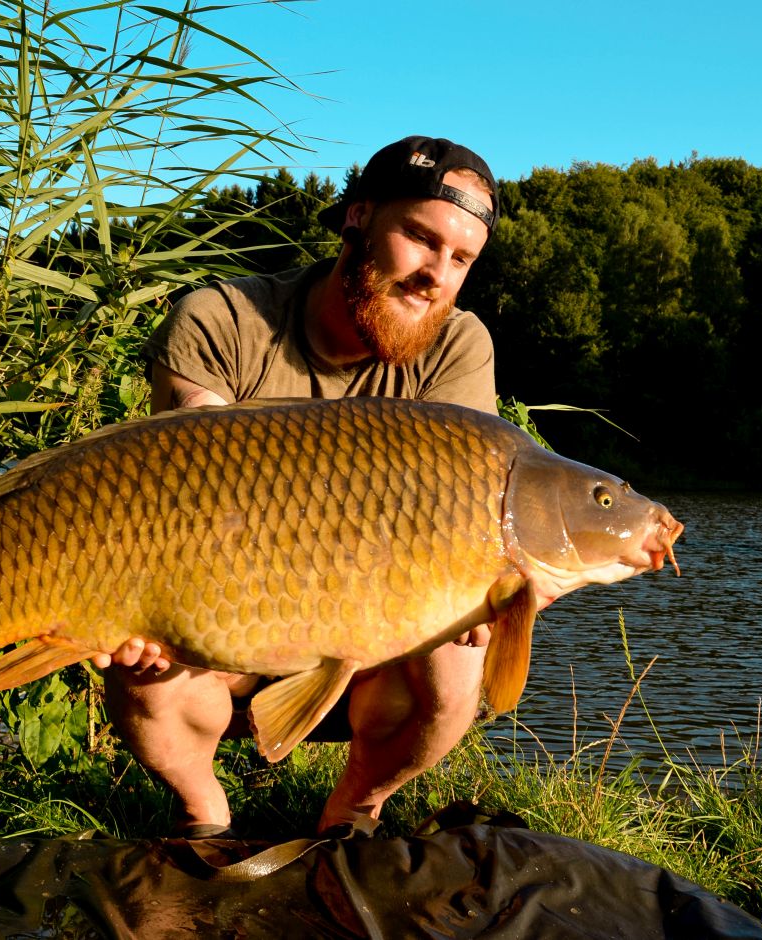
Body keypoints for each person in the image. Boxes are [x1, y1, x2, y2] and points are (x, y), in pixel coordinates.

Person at [98, 135, 500, 837]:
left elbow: (470, 510)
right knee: (144, 655)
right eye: (418, 237)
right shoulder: (223, 321)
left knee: (462, 644)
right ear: (358, 218)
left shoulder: (456, 349)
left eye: (461, 258)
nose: (437, 272)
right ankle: (205, 820)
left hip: (370, 657)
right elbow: (183, 498)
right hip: (219, 634)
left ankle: (352, 816)